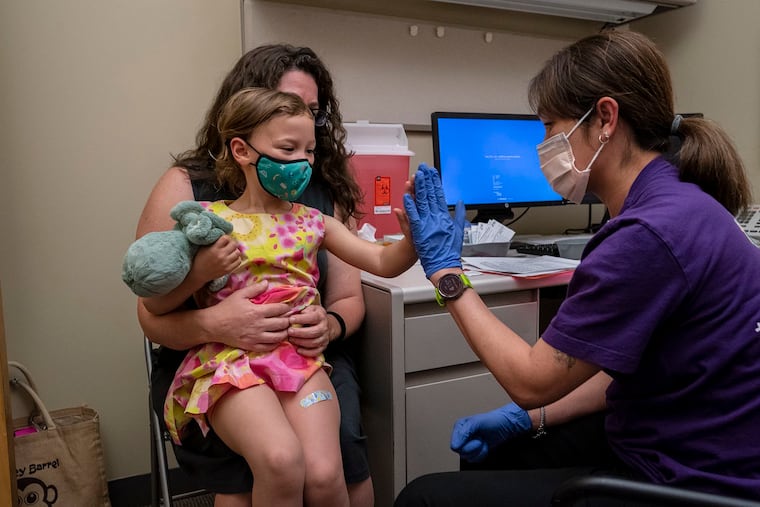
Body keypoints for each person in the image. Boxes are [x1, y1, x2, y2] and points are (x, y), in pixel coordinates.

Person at [396, 29, 760, 505]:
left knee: (423, 498)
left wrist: (446, 272)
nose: (543, 145)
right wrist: (528, 420)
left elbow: (531, 381)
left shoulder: (647, 234)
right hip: (692, 437)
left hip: (693, 478)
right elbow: (618, 363)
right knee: (494, 455)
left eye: (550, 127)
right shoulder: (681, 203)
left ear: (605, 118)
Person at [141, 87, 416, 506]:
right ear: (242, 150)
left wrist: (415, 239)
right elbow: (154, 305)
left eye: (309, 150)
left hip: (298, 360)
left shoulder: (315, 221)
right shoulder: (210, 223)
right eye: (288, 148)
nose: (302, 162)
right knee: (281, 460)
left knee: (325, 475)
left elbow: (381, 262)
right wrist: (202, 271)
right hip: (229, 363)